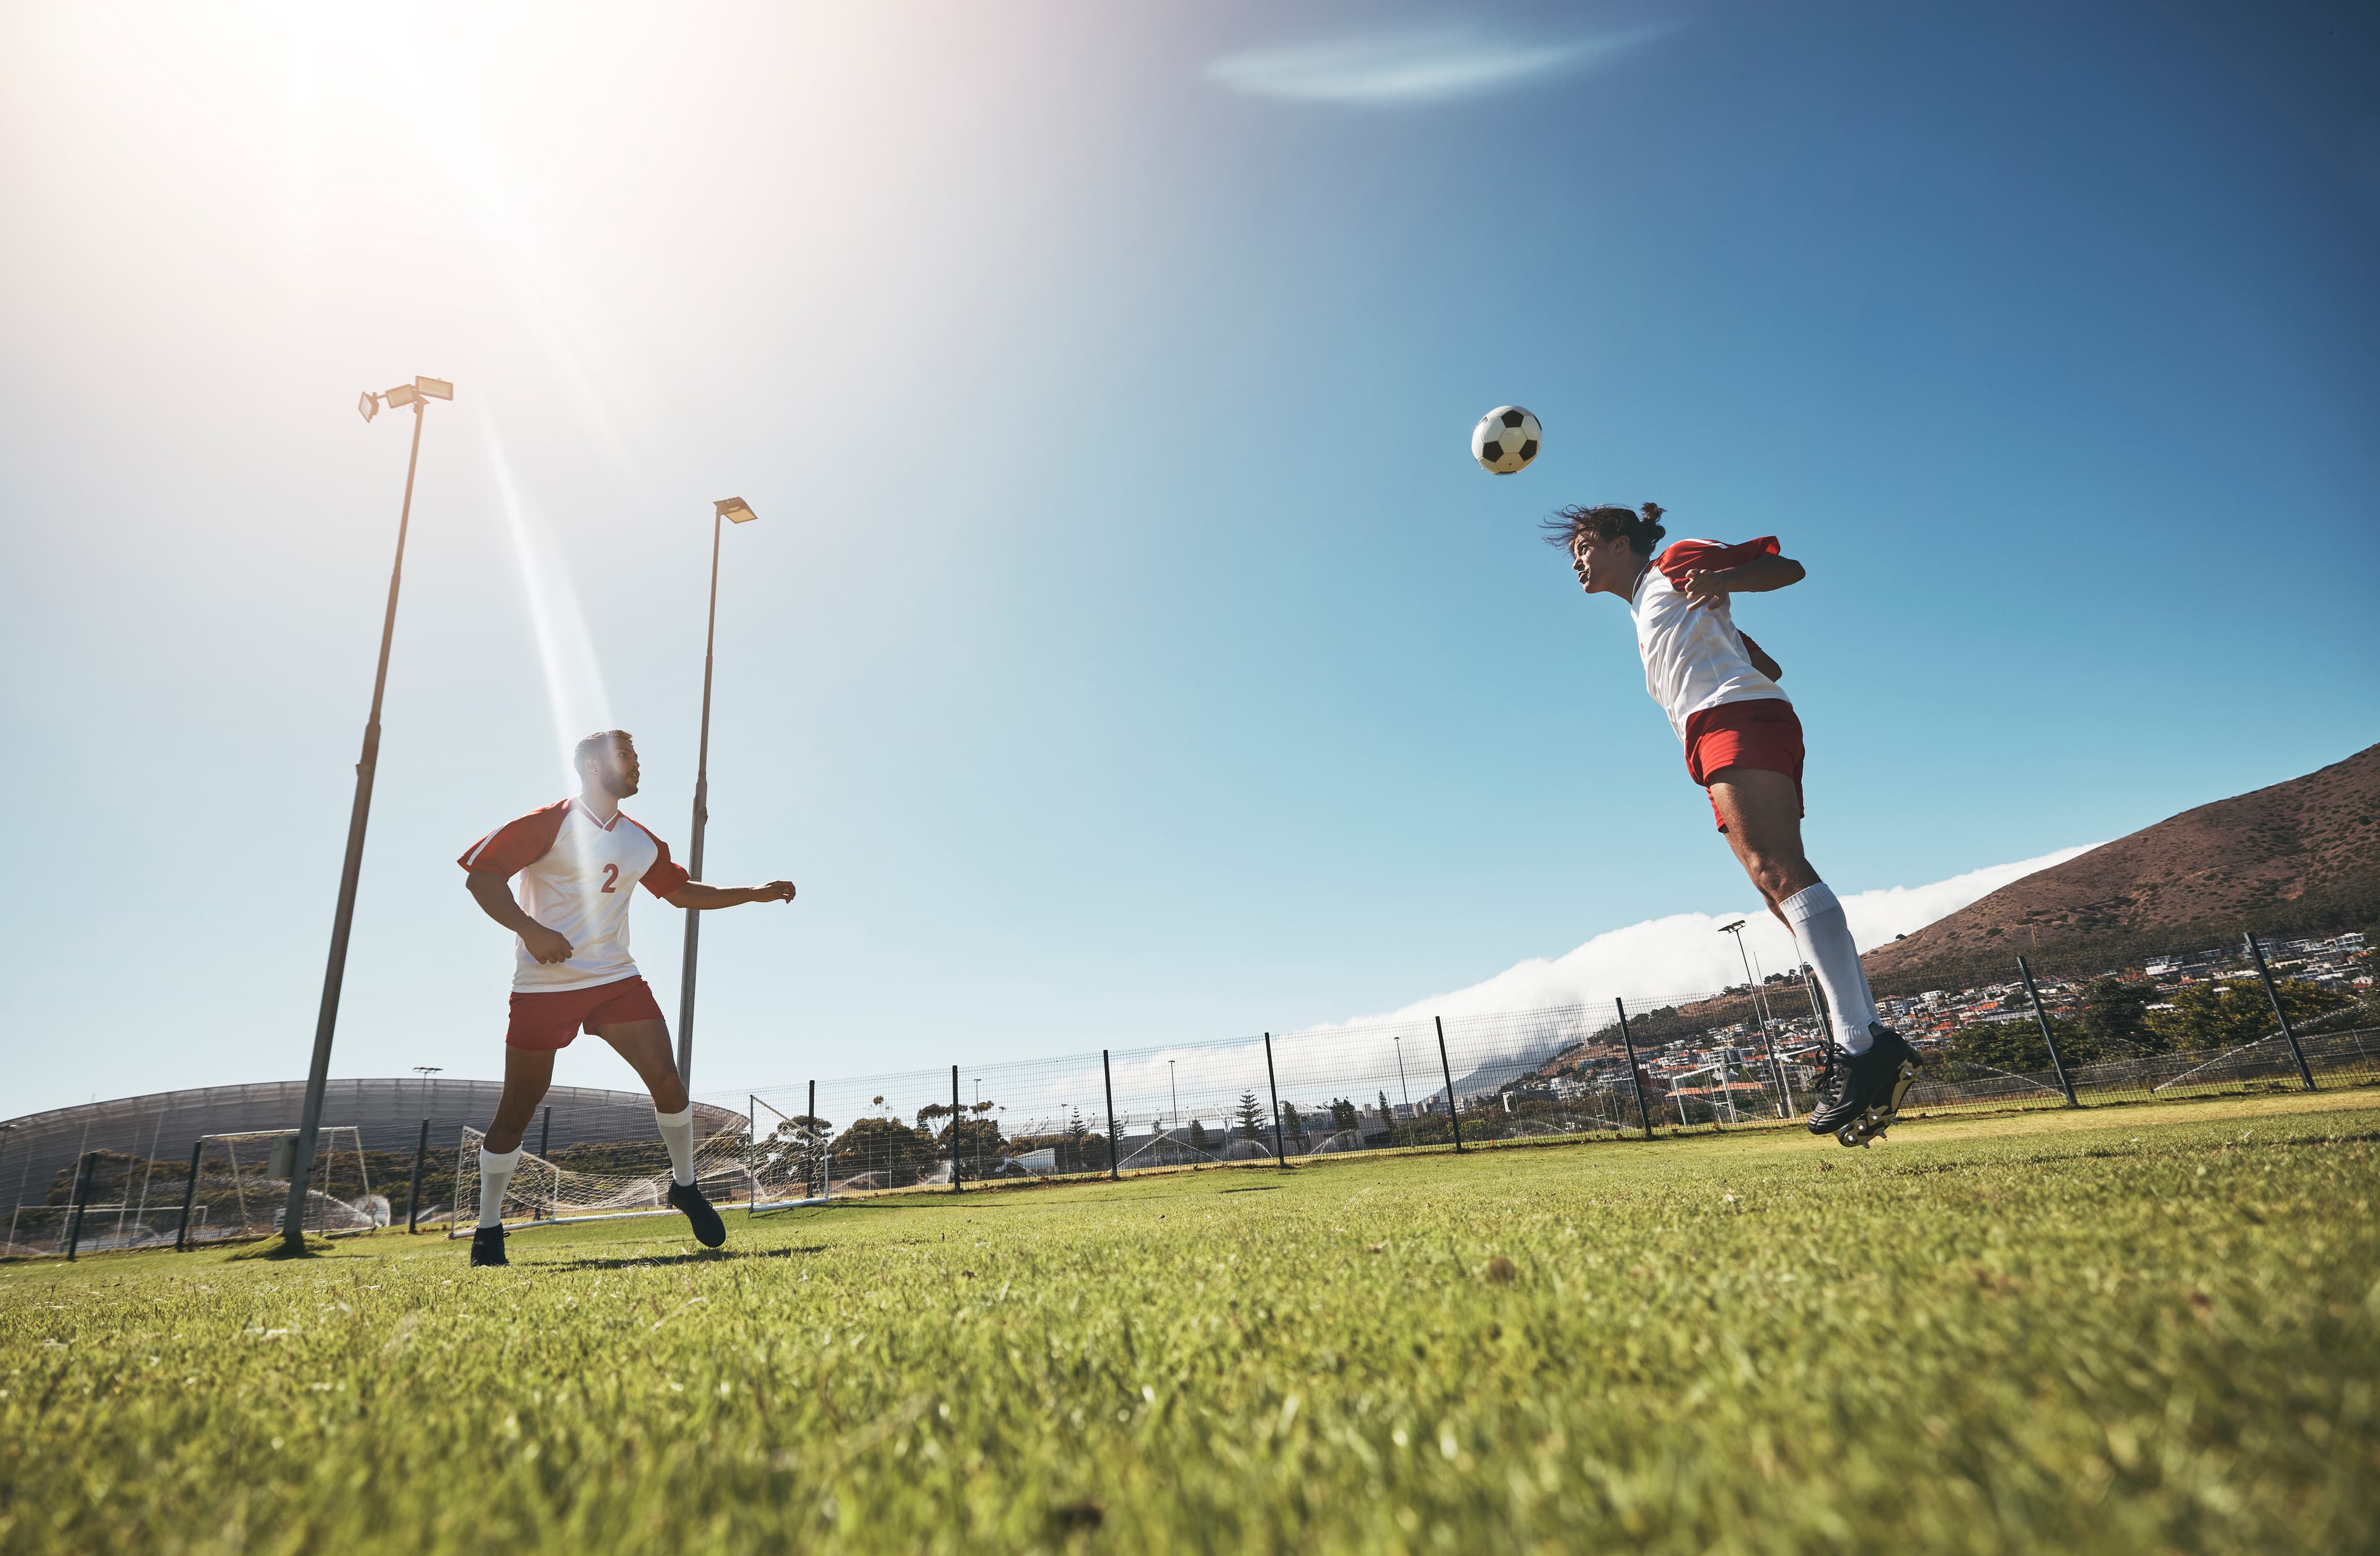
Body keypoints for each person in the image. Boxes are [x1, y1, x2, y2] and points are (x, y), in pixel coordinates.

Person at [1549, 502, 1918, 1144]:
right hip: (1720, 726)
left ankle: (1862, 1044)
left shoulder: (1674, 560)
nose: (1575, 562)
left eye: (1582, 547)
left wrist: (1727, 584)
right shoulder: (1648, 605)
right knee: (1771, 884)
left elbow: (1786, 569)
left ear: (1617, 543)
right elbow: (1765, 665)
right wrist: (1726, 628)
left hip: (1736, 720)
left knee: (1779, 869)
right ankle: (1867, 1037)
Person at [456, 729, 796, 1265]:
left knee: (667, 1078)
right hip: (544, 987)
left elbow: (682, 892)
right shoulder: (549, 823)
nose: (637, 765)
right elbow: (483, 876)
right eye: (625, 757)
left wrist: (752, 893)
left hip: (615, 980)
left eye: (637, 757)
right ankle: (489, 1227)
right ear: (593, 767)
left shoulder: (641, 840)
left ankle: (685, 1186)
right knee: (517, 1110)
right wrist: (531, 929)